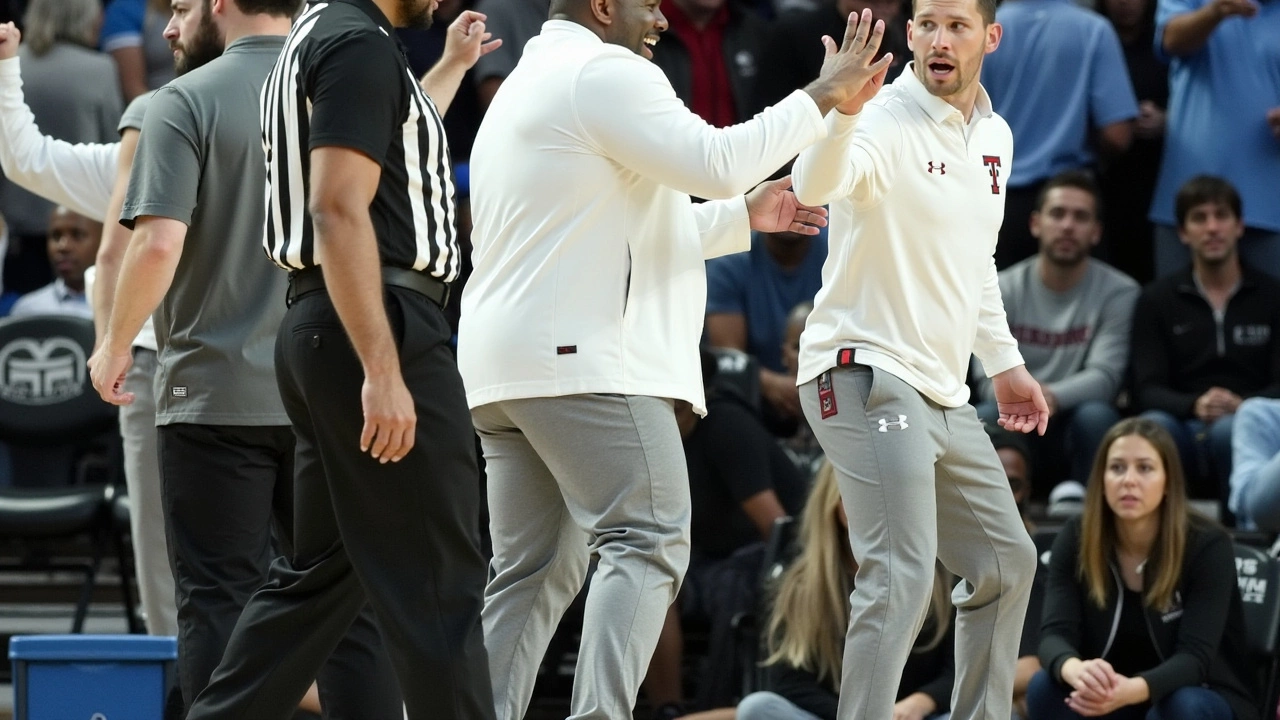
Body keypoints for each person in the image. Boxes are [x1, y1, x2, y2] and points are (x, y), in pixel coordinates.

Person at [458, 1, 894, 717]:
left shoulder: (532, 80)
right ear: (603, 6)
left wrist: (741, 216)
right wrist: (825, 94)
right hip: (585, 360)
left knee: (531, 574)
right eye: (646, 2)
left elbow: (604, 231)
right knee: (649, 538)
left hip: (506, 371)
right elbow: (716, 162)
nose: (660, 15)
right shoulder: (604, 70)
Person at [181, 5, 502, 720]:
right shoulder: (357, 44)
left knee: (320, 577)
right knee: (440, 579)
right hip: (377, 326)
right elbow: (336, 207)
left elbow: (384, 157)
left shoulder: (320, 36)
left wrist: (447, 69)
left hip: (322, 325)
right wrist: (383, 371)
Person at [87, 0, 403, 714]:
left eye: (182, 6)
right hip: (326, 392)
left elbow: (157, 243)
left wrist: (112, 341)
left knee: (219, 598)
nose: (172, 22)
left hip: (211, 395)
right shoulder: (336, 85)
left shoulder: (180, 101)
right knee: (347, 606)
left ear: (220, 4)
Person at [788, 0, 1045, 714]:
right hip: (863, 372)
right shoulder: (880, 117)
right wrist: (839, 112)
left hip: (941, 389)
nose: (940, 39)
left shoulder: (995, 135)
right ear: (907, 36)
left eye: (957, 26)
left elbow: (977, 262)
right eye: (926, 23)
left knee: (1007, 562)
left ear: (989, 37)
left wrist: (1004, 363)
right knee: (900, 570)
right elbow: (812, 187)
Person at [0, 21, 173, 637]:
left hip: (248, 370)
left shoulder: (276, 124)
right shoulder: (142, 138)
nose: (171, 28)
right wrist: (5, 64)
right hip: (155, 368)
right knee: (161, 570)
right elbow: (26, 157)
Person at [1030, 417, 1258, 720]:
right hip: (1113, 696)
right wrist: (1075, 670)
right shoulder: (1076, 536)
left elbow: (1195, 659)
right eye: (1117, 468)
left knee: (1180, 705)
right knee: (1045, 686)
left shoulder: (1207, 544)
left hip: (1198, 694)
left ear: (1167, 482)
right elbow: (1053, 636)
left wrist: (1131, 690)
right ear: (1101, 480)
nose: (1129, 480)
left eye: (1145, 468)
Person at [736, 460, 955, 720]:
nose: (877, 507)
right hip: (838, 716)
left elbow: (963, 670)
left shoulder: (945, 574)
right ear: (834, 504)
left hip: (919, 716)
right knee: (757, 708)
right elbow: (791, 683)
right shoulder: (801, 586)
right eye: (860, 494)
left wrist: (922, 702)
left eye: (889, 494)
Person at [973, 170, 1139, 492]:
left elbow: (1106, 377)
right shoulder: (997, 287)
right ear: (1036, 223)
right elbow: (982, 378)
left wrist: (1049, 397)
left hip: (1073, 418)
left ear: (1095, 232)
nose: (1067, 225)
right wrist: (1027, 399)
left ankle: (1090, 516)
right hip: (1013, 416)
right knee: (985, 412)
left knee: (1097, 415)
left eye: (1080, 217)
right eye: (1057, 214)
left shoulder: (1120, 292)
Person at [1130, 175, 1280, 515]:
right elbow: (1146, 388)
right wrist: (1195, 405)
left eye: (1221, 216)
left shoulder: (1273, 296)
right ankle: (1159, 536)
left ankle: (1245, 540)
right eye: (1199, 218)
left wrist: (1245, 405)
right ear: (1182, 232)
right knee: (1154, 427)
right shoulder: (1156, 299)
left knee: (1234, 429)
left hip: (1250, 420)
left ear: (1240, 226)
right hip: (1181, 421)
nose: (1212, 228)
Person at [979, 0, 1137, 268]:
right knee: (1078, 306)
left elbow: (962, 122)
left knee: (1001, 304)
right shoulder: (1093, 29)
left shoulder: (983, 32)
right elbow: (1117, 134)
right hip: (1073, 200)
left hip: (998, 200)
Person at [1148, 0, 1280, 277]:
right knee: (1178, 314)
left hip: (1271, 207)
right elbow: (1171, 40)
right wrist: (1215, 12)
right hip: (1187, 203)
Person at [9, 205, 99, 319]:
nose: (64, 246)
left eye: (77, 235)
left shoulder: (122, 309)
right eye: (56, 236)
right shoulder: (28, 312)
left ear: (102, 241)